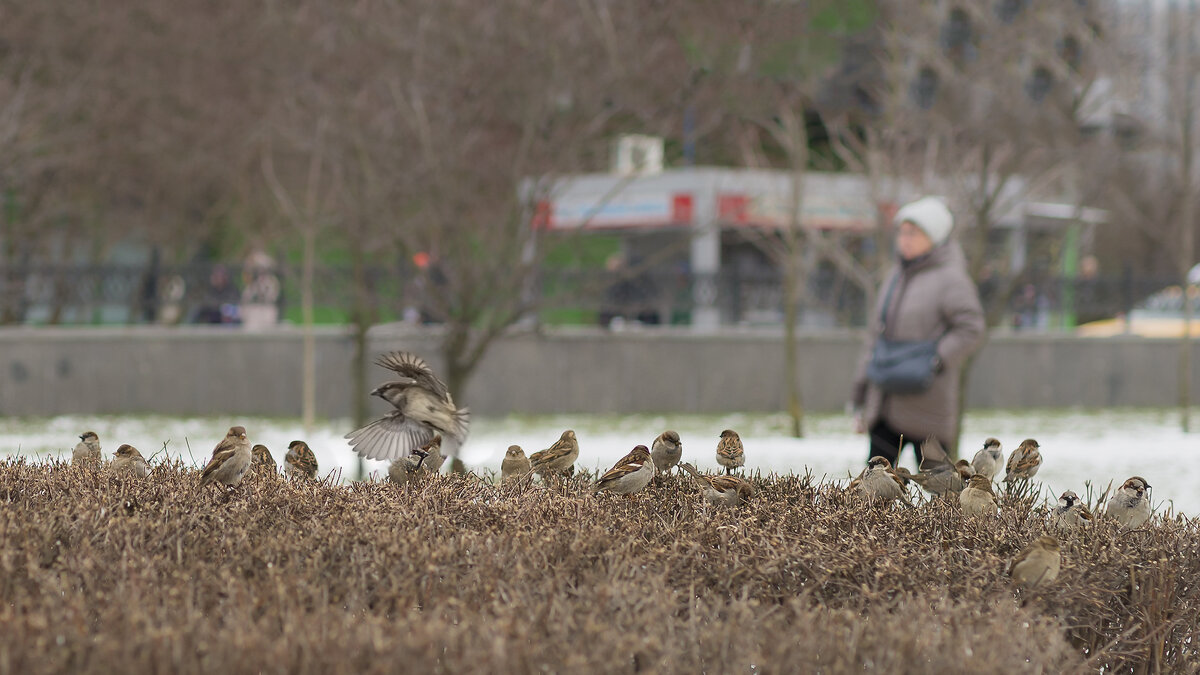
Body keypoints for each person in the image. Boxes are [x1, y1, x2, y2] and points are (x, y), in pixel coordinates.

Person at [850, 196, 985, 465]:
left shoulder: (951, 278)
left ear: (934, 236)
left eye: (914, 232)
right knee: (876, 494)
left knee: (942, 492)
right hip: (885, 403)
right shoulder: (896, 275)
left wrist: (936, 360)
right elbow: (876, 336)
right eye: (902, 232)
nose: (905, 239)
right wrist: (860, 393)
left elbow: (971, 328)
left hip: (928, 406)